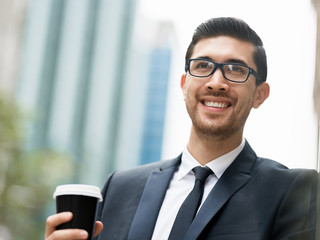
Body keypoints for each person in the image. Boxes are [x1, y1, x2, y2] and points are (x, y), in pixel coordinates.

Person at [45, 17, 318, 240]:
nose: (216, 81)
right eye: (203, 66)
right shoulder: (119, 188)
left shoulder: (293, 190)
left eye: (235, 69)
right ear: (183, 84)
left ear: (260, 94)